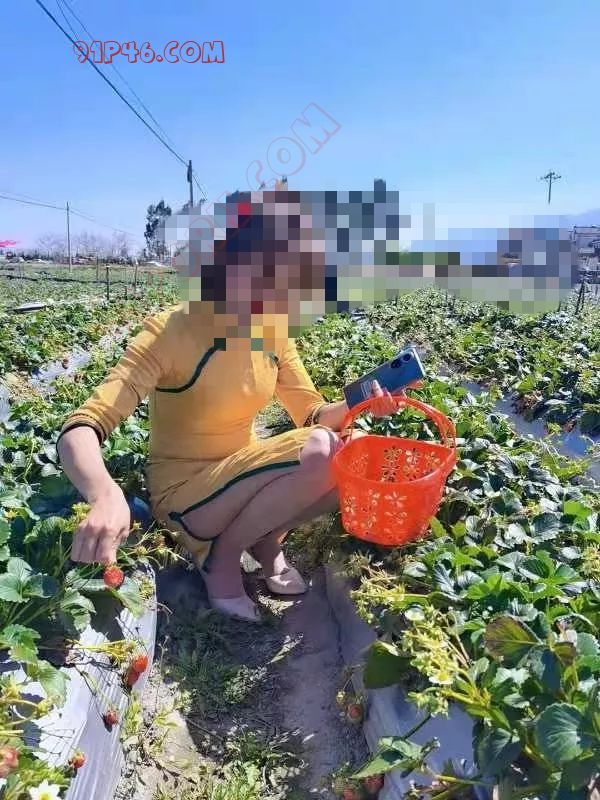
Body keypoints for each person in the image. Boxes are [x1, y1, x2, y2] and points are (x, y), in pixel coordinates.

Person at [57, 189, 398, 622]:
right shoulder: (173, 330)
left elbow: (311, 413)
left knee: (355, 450)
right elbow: (84, 425)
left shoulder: (273, 329)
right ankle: (220, 560)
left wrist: (359, 401)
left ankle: (265, 539)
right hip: (188, 496)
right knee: (319, 449)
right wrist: (105, 495)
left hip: (246, 473)